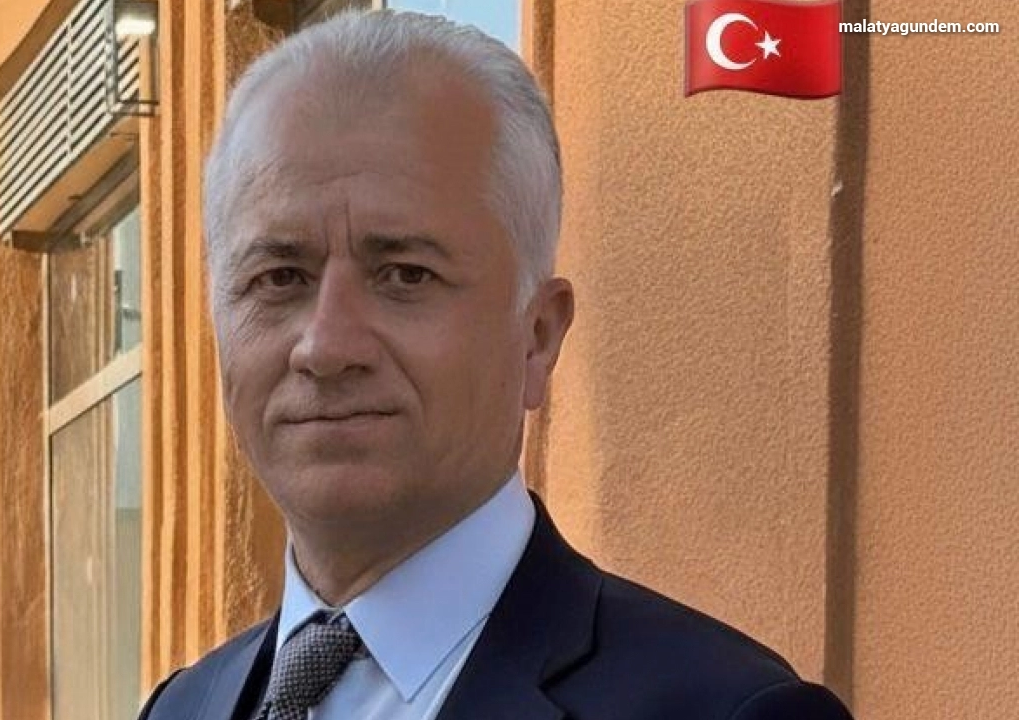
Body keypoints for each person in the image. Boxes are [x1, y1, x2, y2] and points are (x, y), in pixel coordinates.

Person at [138, 9, 853, 720]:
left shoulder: (728, 710)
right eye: (280, 278)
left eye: (406, 275)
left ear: (537, 336)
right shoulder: (182, 707)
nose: (325, 348)